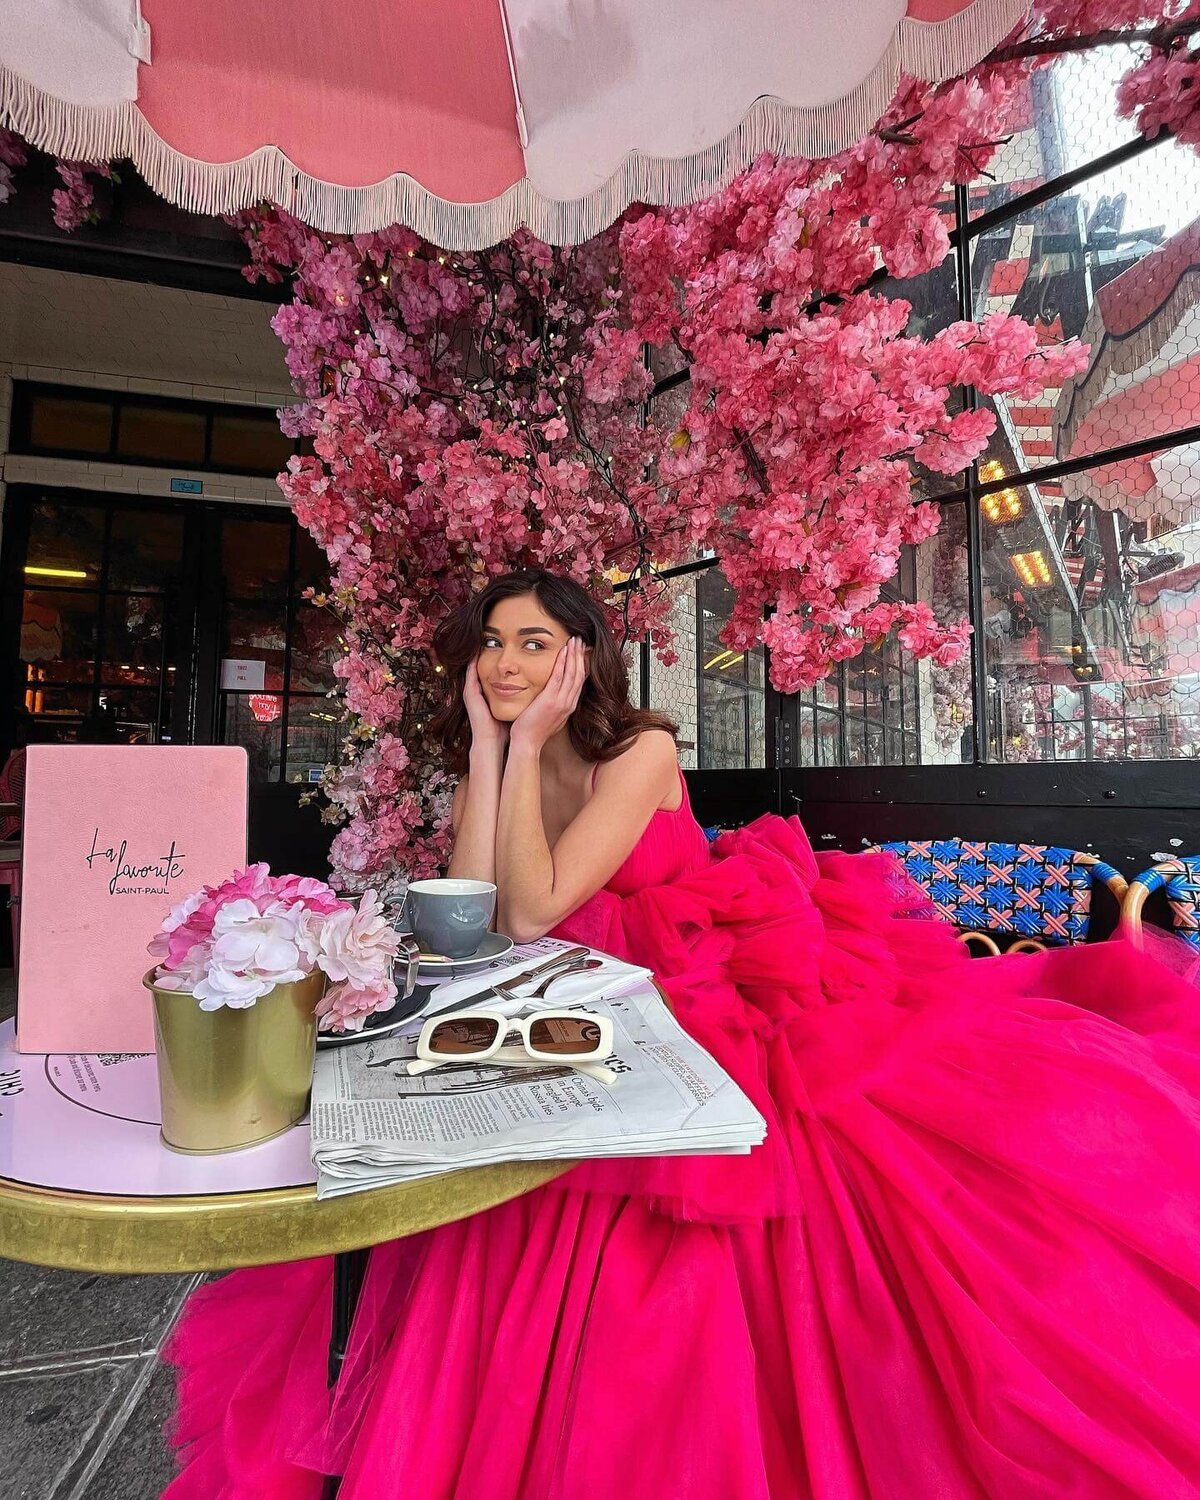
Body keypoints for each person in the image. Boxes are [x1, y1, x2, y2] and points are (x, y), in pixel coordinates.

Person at [165, 570, 1200, 1499]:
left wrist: (520, 745)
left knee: (788, 1172)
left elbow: (533, 909)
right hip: (578, 992)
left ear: (583, 658)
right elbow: (476, 903)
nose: (509, 662)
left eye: (535, 643)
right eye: (493, 641)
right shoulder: (504, 745)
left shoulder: (644, 746)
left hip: (704, 968)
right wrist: (487, 748)